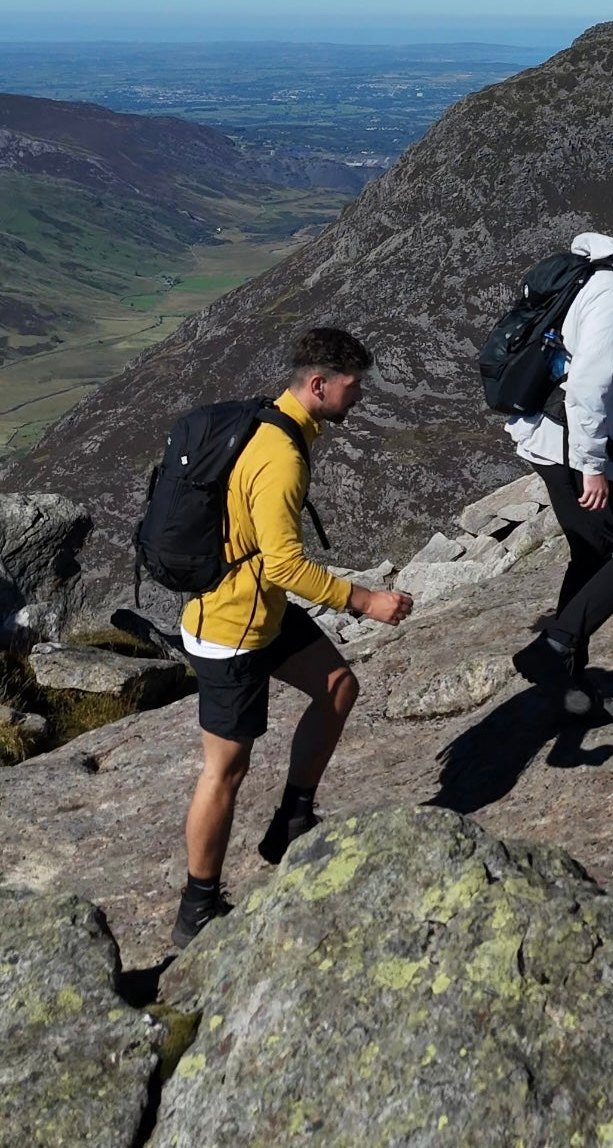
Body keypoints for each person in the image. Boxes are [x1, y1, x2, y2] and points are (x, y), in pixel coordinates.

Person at [172, 327, 413, 947]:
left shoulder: (276, 422)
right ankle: (196, 907)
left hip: (261, 610)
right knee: (225, 770)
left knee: (337, 685)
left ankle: (293, 819)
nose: (357, 398)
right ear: (318, 385)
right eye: (351, 388)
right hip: (233, 629)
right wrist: (364, 600)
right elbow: (282, 564)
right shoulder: (280, 454)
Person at [508, 196, 613, 719]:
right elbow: (587, 383)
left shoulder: (589, 275)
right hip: (572, 444)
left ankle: (571, 694)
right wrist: (592, 464)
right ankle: (552, 649)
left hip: (545, 433)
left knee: (593, 549)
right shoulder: (612, 289)